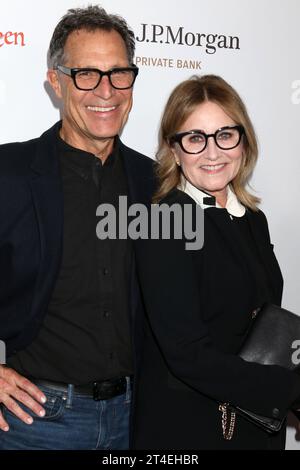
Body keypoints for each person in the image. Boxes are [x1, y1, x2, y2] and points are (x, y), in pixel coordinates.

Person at [0, 5, 154, 450]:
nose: (105, 91)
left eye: (118, 73)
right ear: (56, 82)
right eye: (86, 73)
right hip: (35, 424)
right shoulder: (9, 174)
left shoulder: (157, 182)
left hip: (138, 419)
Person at [133, 74, 300, 450]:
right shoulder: (163, 220)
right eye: (195, 139)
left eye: (225, 135)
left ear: (244, 141)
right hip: (192, 428)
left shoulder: (253, 218)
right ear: (174, 150)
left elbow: (262, 320)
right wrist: (291, 390)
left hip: (255, 422)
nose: (213, 153)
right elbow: (187, 354)